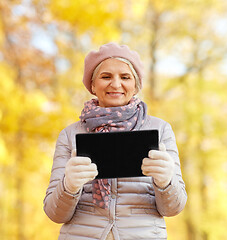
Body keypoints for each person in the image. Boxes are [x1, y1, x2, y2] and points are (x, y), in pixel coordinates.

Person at [43, 42, 187, 240]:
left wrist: (166, 181)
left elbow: (174, 208)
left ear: (136, 86)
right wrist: (69, 186)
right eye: (106, 76)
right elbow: (54, 213)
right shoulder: (70, 135)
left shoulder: (161, 130)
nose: (116, 84)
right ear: (92, 85)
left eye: (125, 77)